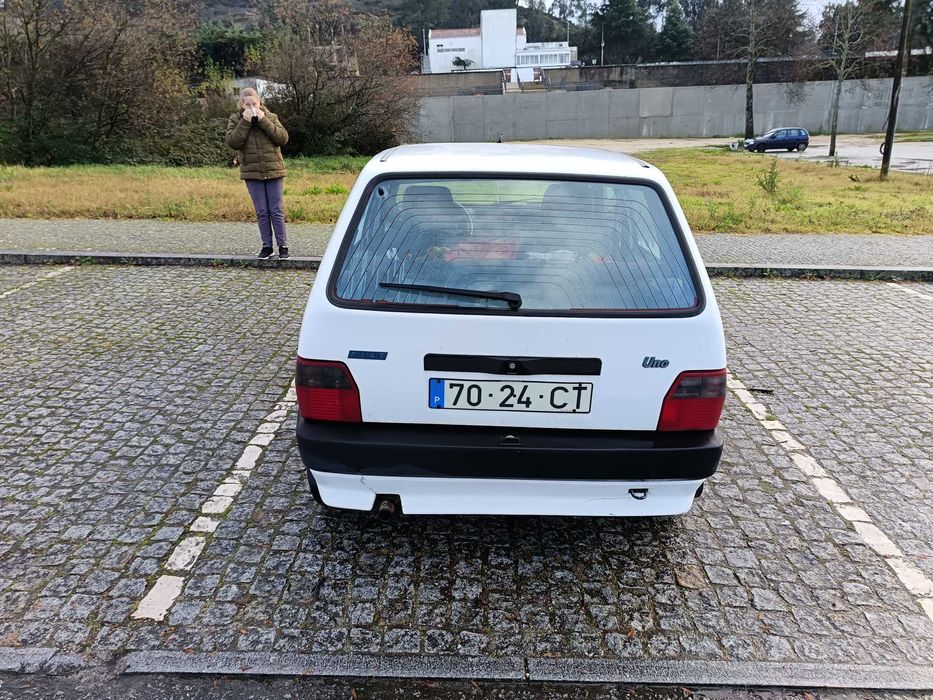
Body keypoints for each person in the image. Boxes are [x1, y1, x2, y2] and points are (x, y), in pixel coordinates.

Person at [226, 88, 290, 260]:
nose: (251, 107)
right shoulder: (236, 120)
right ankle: (267, 247)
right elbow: (233, 142)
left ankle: (283, 246)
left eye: (254, 103)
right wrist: (245, 122)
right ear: (242, 105)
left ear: (260, 103)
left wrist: (263, 120)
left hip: (273, 169)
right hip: (252, 172)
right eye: (247, 104)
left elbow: (283, 138)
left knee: (276, 210)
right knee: (262, 211)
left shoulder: (272, 117)